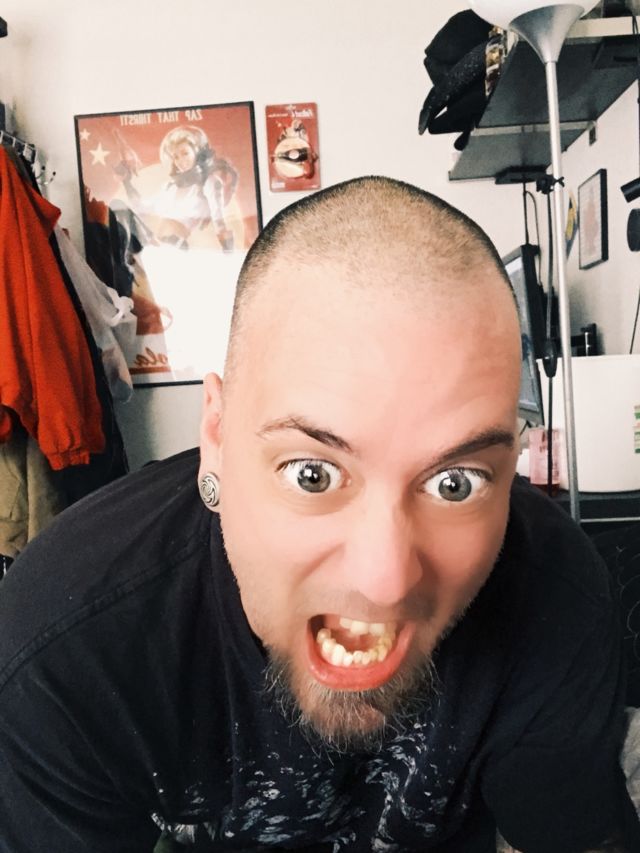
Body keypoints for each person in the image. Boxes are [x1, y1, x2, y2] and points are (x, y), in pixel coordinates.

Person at [0, 176, 638, 853]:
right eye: (313, 474)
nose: (385, 580)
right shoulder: (65, 640)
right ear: (216, 433)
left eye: (455, 483)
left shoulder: (555, 594)